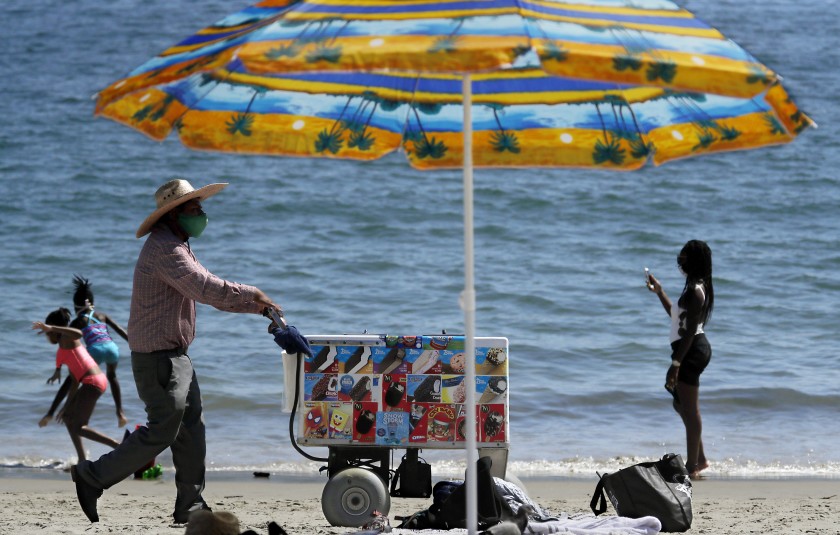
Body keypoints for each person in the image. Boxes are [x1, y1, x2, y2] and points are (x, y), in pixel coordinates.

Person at [69, 178, 280, 524]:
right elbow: (205, 288)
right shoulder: (165, 251)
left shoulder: (176, 245)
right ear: (173, 215)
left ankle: (190, 504)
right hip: (158, 359)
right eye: (194, 209)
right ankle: (91, 477)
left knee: (191, 429)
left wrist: (254, 303)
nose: (202, 214)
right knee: (163, 430)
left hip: (175, 356)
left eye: (200, 208)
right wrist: (254, 298)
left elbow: (203, 282)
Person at [646, 239, 714, 479]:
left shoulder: (696, 291)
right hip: (688, 349)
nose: (680, 261)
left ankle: (693, 465)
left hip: (692, 350)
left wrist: (676, 364)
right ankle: (701, 458)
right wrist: (660, 292)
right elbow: (677, 318)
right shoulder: (691, 288)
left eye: (683, 257)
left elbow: (689, 331)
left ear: (694, 261)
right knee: (680, 405)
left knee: (690, 409)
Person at [33, 308, 122, 462]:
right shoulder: (63, 347)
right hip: (91, 382)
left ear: (55, 329)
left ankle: (119, 447)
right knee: (68, 418)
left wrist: (51, 328)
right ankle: (82, 459)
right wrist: (66, 406)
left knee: (79, 426)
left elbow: (78, 333)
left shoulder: (68, 339)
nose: (47, 337)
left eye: (48, 333)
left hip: (93, 382)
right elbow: (74, 382)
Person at [70, 275, 130, 428]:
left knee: (82, 380)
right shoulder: (102, 315)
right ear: (92, 303)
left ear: (76, 306)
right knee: (112, 377)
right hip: (112, 349)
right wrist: (135, 345)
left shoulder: (77, 321)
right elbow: (121, 331)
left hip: (94, 351)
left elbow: (70, 342)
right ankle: (120, 412)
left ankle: (73, 407)